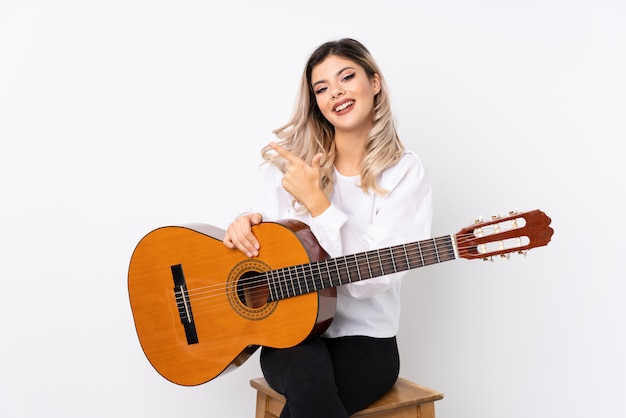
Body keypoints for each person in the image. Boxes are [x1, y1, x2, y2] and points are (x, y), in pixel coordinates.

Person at [223, 38, 432, 418]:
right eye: (321, 88)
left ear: (375, 82)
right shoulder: (293, 165)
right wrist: (241, 227)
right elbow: (258, 243)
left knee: (311, 398)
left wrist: (319, 204)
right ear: (316, 102)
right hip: (291, 336)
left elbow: (371, 280)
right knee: (307, 378)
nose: (335, 92)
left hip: (367, 341)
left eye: (346, 77)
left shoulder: (404, 171)